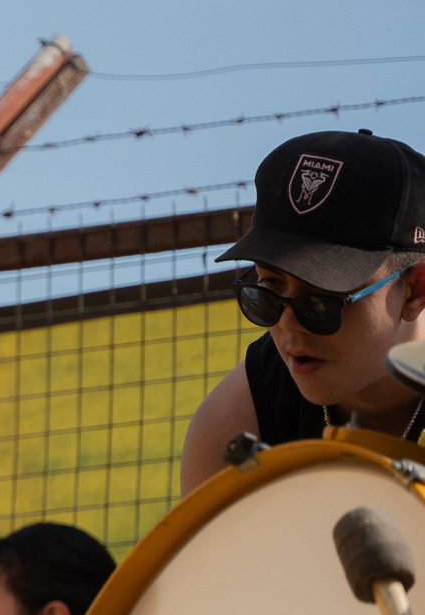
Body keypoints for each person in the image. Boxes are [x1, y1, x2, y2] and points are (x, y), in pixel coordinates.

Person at [180, 129, 425, 497]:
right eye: (270, 287)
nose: (287, 323)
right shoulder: (235, 423)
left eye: (322, 300)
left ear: (416, 290)